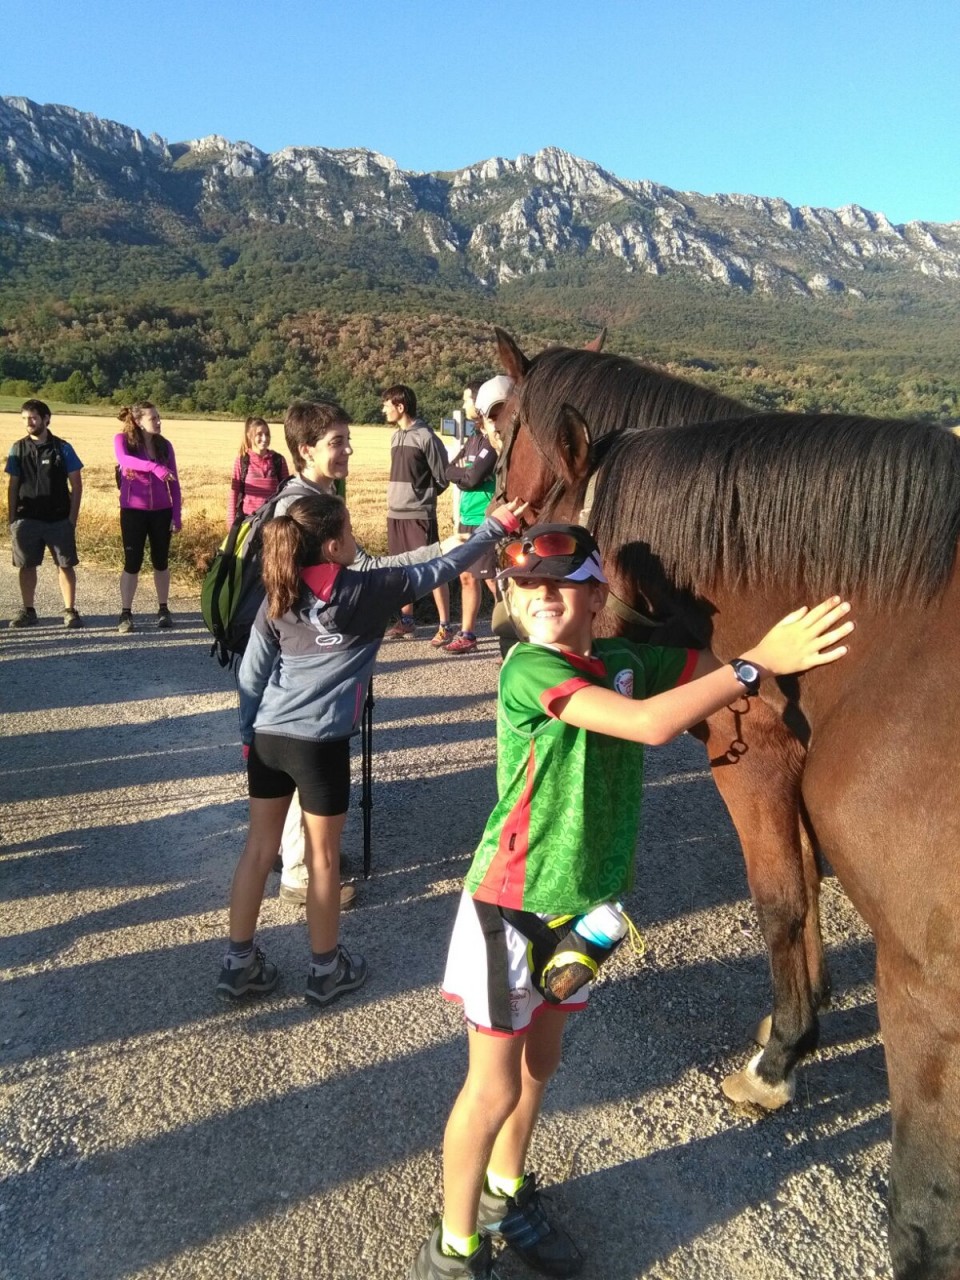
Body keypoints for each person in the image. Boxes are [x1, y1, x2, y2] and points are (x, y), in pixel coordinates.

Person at [409, 523, 855, 1280]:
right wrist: (757, 664)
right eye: (527, 586)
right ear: (512, 599)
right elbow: (652, 724)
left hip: (584, 911)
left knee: (541, 1065)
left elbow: (701, 663)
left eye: (561, 583)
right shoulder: (526, 669)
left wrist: (780, 638)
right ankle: (455, 1247)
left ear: (595, 594)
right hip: (510, 908)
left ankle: (505, 1192)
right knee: (491, 1085)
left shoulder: (619, 661)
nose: (543, 597)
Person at [219, 491, 523, 1007]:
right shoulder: (371, 589)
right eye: (352, 532)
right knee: (322, 860)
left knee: (258, 850)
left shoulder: (279, 591)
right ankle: (324, 970)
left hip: (269, 737)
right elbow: (445, 567)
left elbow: (252, 675)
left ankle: (238, 963)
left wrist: (249, 737)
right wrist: (494, 529)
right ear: (335, 544)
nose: (358, 541)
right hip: (321, 746)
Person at [270, 400, 471, 909]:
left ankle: (302, 856)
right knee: (307, 764)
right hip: (301, 668)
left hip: (298, 662)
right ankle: (300, 869)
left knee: (303, 765)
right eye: (337, 441)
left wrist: (443, 546)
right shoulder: (298, 509)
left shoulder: (319, 498)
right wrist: (445, 552)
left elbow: (368, 568)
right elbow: (356, 579)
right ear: (305, 449)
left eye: (346, 439)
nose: (348, 449)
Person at [441, 376, 514, 655]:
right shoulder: (474, 438)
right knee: (467, 578)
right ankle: (467, 634)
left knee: (494, 581)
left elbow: (471, 479)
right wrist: (464, 475)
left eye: (466, 399)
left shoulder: (491, 439)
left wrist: (464, 475)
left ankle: (511, 640)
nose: (464, 404)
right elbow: (450, 470)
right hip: (466, 517)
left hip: (485, 518)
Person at [382, 384, 453, 645]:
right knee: (401, 569)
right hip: (395, 513)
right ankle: (407, 620)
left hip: (419, 515)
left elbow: (443, 478)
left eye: (386, 404)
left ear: (400, 407)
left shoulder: (426, 437)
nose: (383, 409)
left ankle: (445, 625)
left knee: (432, 568)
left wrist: (422, 497)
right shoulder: (394, 437)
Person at [6, 400, 84, 629]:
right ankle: (29, 611)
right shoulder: (17, 448)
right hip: (27, 518)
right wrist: (12, 519)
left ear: (46, 418)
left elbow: (77, 485)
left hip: (58, 518)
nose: (28, 423)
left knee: (65, 565)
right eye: (24, 418)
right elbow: (12, 485)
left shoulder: (63, 448)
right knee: (26, 566)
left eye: (32, 418)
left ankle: (70, 610)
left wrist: (72, 518)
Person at [114, 403, 181, 633]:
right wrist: (153, 467)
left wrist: (176, 515)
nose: (159, 421)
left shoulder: (165, 446)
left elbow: (175, 484)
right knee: (132, 563)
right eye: (153, 418)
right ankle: (125, 613)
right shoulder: (123, 440)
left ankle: (163, 609)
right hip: (133, 511)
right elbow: (125, 460)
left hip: (162, 512)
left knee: (160, 561)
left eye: (159, 417)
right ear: (139, 421)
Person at [227, 417, 289, 526]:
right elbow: (234, 492)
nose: (264, 439)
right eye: (259, 434)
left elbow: (286, 492)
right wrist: (231, 522)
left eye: (267, 434)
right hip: (248, 522)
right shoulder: (242, 461)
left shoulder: (278, 460)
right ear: (249, 436)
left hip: (272, 522)